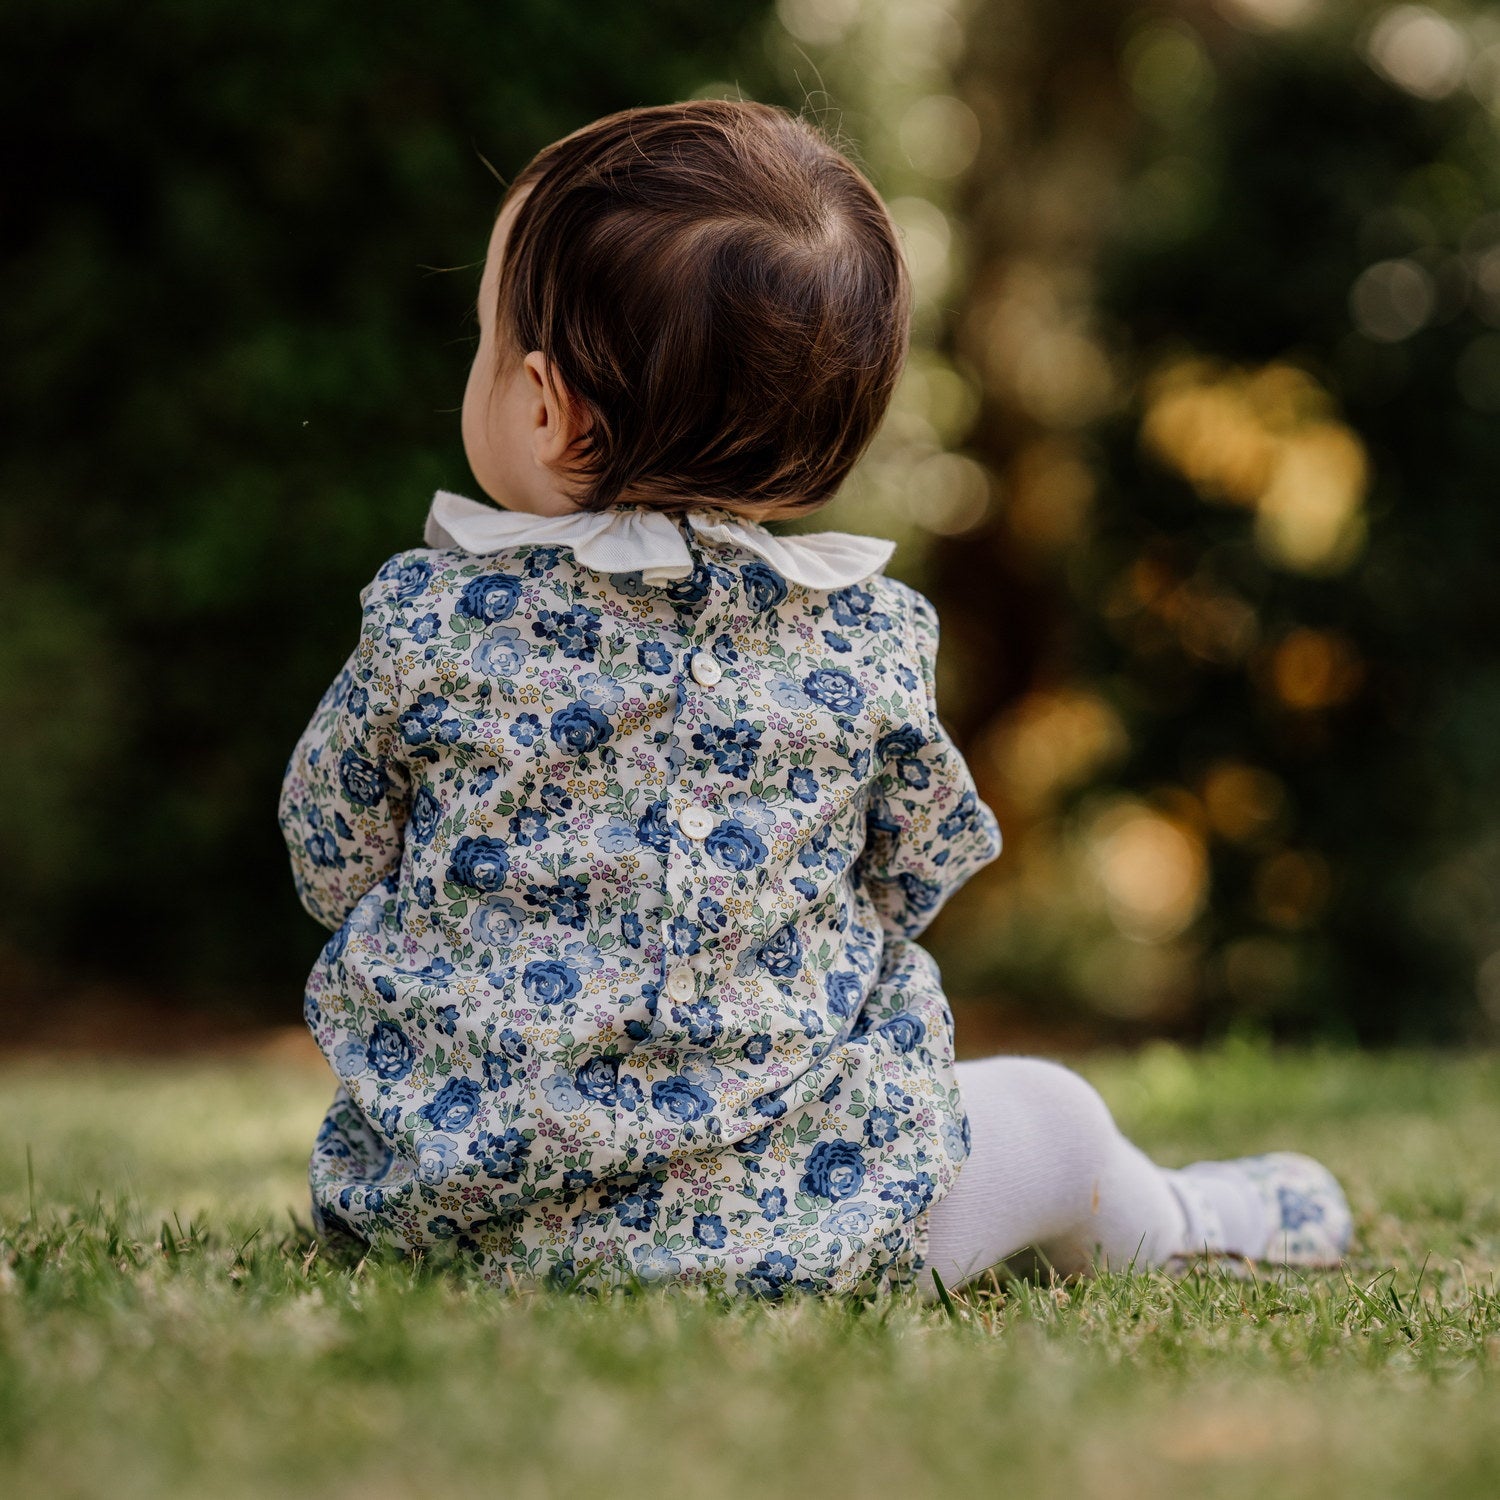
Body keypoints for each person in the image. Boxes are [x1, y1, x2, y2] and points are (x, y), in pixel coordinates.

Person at [278, 100, 1351, 1299]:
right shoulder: (868, 644)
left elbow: (329, 857)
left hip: (446, 1214)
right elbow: (911, 878)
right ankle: (1200, 1215)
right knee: (1047, 1116)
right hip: (791, 1227)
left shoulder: (427, 620)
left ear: (541, 402)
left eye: (479, 337)